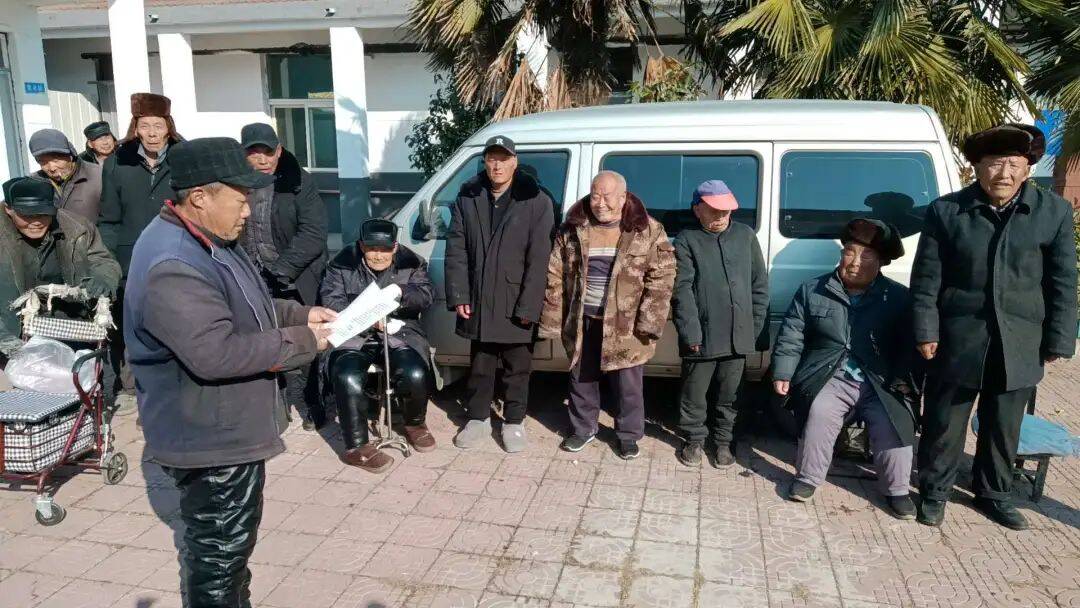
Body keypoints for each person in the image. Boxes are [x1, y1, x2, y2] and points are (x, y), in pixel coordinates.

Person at [124, 137, 336, 607]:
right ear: (200, 196)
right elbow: (216, 353)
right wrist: (307, 341)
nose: (248, 211)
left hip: (222, 429)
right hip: (209, 440)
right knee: (219, 558)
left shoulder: (209, 239)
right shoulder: (173, 263)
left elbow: (245, 304)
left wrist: (301, 315)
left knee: (231, 553)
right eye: (240, 200)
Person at [912, 124, 1077, 530]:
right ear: (977, 168)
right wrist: (926, 330)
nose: (1003, 173)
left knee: (1004, 426)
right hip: (958, 336)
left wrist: (1059, 338)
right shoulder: (947, 211)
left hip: (1019, 339)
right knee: (944, 423)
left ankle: (994, 494)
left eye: (1013, 164)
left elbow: (1062, 280)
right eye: (994, 163)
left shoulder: (1053, 212)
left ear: (1027, 168)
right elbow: (927, 279)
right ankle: (934, 492)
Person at [771, 219, 918, 519]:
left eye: (867, 256)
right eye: (850, 252)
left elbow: (909, 346)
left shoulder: (898, 298)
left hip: (879, 381)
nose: (855, 262)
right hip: (830, 374)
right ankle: (808, 478)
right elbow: (791, 334)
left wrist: (905, 381)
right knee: (819, 412)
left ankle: (897, 490)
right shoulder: (813, 290)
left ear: (881, 263)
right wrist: (783, 371)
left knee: (893, 424)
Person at [539, 171, 676, 460]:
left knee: (628, 384)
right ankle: (583, 428)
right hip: (583, 318)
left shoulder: (648, 229)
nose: (600, 203)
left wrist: (649, 322)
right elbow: (555, 272)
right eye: (595, 195)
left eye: (607, 196)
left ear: (623, 197)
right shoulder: (573, 228)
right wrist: (552, 320)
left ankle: (628, 435)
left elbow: (662, 277)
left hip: (627, 324)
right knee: (581, 377)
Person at [445, 136, 554, 453]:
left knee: (517, 368)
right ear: (485, 162)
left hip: (516, 298)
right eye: (492, 158)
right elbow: (456, 249)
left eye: (503, 159)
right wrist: (460, 294)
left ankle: (514, 422)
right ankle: (477, 419)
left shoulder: (536, 200)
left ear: (514, 162)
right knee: (480, 364)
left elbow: (540, 259)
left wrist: (529, 306)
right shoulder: (469, 196)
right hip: (480, 296)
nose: (497, 165)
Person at [320, 218, 436, 472]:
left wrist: (401, 292)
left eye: (385, 249)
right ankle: (356, 446)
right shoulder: (341, 264)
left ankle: (415, 423)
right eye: (372, 248)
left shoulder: (412, 263)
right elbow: (331, 301)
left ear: (395, 247)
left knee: (415, 372)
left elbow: (426, 295)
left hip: (400, 330)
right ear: (362, 246)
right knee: (347, 375)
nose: (378, 255)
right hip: (354, 332)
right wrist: (369, 318)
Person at [672, 180, 768, 467]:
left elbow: (759, 286)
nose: (721, 217)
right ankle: (694, 439)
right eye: (714, 211)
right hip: (702, 333)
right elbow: (682, 291)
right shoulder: (687, 240)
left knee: (731, 394)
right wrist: (691, 332)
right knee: (694, 393)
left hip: (738, 334)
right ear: (697, 209)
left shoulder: (745, 235)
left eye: (726, 211)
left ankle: (724, 441)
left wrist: (755, 329)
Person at [240, 122, 329, 430]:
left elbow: (313, 232)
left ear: (278, 151)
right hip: (253, 275)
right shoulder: (236, 184)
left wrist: (282, 269)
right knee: (264, 339)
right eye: (254, 153)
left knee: (309, 337)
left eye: (267, 152)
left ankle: (314, 400)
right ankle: (274, 404)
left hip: (296, 275)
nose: (262, 159)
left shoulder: (299, 181)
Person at [98, 93, 182, 414]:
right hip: (130, 260)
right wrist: (108, 261)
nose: (151, 133)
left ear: (168, 126)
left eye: (158, 126)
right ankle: (146, 394)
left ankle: (174, 389)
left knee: (173, 324)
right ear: (136, 127)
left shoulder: (182, 156)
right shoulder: (118, 161)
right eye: (145, 126)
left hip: (174, 255)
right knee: (138, 329)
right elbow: (109, 218)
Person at [0, 176, 120, 365]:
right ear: (9, 209)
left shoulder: (77, 228)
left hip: (67, 328)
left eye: (43, 214)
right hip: (10, 332)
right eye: (28, 216)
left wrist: (103, 278)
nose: (36, 222)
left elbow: (102, 260)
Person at [28, 128, 103, 222]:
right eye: (43, 162)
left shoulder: (99, 176)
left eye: (56, 160)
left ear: (71, 155)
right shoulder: (34, 183)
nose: (52, 168)